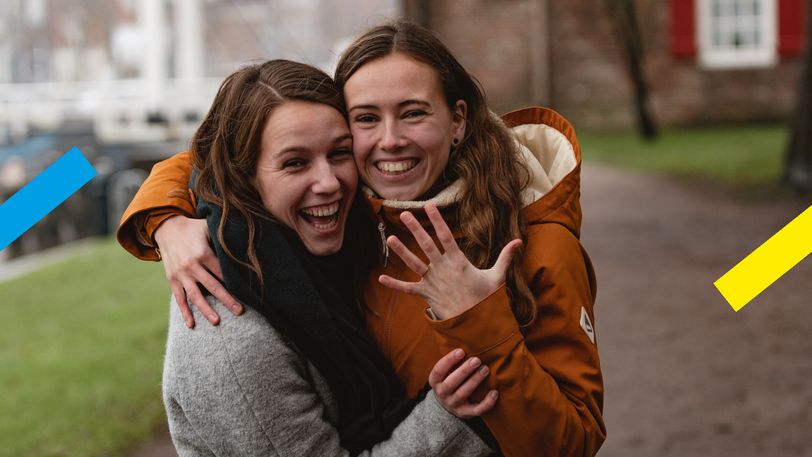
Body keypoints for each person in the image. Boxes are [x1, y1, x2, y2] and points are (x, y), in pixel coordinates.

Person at [118, 20, 606, 457]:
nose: (389, 140)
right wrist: (165, 219)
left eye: (413, 112)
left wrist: (481, 321)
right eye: (367, 119)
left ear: (457, 119)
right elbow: (239, 143)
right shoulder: (357, 225)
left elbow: (572, 442)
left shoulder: (534, 241)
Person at [156, 58, 496, 456]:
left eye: (339, 153)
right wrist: (449, 417)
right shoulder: (232, 337)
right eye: (295, 163)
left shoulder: (338, 256)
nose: (329, 182)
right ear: (243, 177)